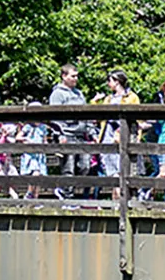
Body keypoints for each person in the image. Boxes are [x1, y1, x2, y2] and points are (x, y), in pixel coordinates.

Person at [48, 63, 90, 194]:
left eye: (77, 76)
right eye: (73, 76)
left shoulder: (79, 94)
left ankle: (69, 190)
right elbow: (55, 118)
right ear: (64, 76)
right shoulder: (57, 94)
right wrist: (60, 135)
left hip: (81, 135)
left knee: (85, 166)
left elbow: (87, 114)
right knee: (68, 167)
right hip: (67, 134)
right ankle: (67, 195)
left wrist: (91, 131)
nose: (75, 79)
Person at [93, 70, 139, 188]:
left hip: (122, 136)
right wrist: (95, 101)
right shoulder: (108, 99)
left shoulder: (132, 97)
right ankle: (116, 202)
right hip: (107, 135)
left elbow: (137, 119)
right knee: (110, 169)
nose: (108, 84)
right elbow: (97, 115)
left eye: (110, 80)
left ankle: (123, 200)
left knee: (122, 169)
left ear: (117, 81)